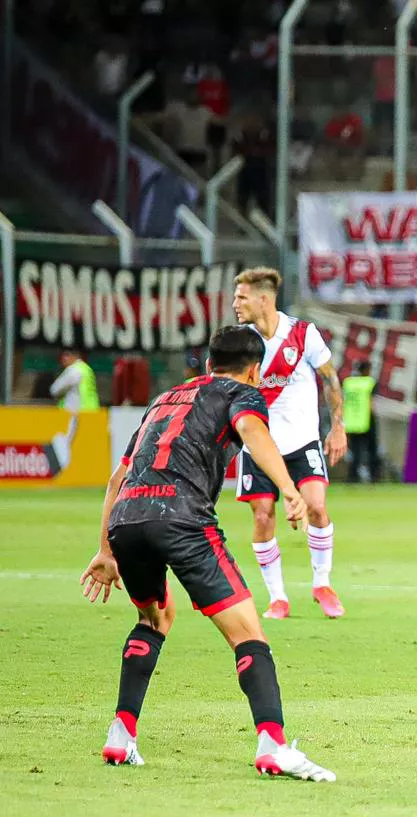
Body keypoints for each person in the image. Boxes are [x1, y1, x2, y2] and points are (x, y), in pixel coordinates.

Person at [79, 326, 334, 781]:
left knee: (154, 619)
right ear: (255, 369)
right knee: (248, 635)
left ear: (209, 360)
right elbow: (251, 429)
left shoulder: (165, 398)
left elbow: (117, 479)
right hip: (182, 519)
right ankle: (273, 745)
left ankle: (121, 735)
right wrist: (289, 488)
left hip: (128, 520)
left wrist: (104, 549)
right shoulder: (242, 392)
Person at [232, 268, 348, 620]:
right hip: (259, 446)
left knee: (316, 505)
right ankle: (278, 597)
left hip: (302, 442)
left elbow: (331, 379)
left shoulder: (303, 334)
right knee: (264, 515)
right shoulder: (241, 342)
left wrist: (338, 427)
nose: (235, 304)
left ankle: (322, 583)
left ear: (263, 299)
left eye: (242, 297)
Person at [342, 361, 379, 483]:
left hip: (352, 421)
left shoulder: (348, 383)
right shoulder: (369, 382)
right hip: (367, 420)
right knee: (371, 450)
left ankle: (353, 477)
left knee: (356, 452)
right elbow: (371, 402)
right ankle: (374, 476)